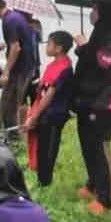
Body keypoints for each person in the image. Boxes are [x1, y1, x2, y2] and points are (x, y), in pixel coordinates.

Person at [73, 0, 111, 214]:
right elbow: (93, 57)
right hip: (87, 99)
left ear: (106, 13)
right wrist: (85, 48)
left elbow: (103, 62)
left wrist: (82, 47)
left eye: (95, 9)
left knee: (100, 147)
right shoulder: (102, 34)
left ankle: (106, 197)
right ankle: (93, 184)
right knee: (87, 144)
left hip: (102, 103)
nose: (92, 13)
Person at [26, 31, 75, 187]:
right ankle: (41, 177)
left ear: (59, 48)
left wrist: (35, 116)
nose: (46, 46)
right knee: (41, 147)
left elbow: (49, 95)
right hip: (44, 113)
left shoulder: (64, 68)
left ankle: (45, 183)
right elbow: (43, 90)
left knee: (48, 149)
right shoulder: (53, 65)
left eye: (49, 44)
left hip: (53, 115)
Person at [0, 0, 36, 139]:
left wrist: (6, 72)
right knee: (8, 101)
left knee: (10, 104)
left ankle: (12, 138)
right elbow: (16, 41)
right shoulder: (14, 16)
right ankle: (7, 134)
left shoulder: (8, 21)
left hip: (20, 69)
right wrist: (3, 45)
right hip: (23, 66)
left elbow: (16, 48)